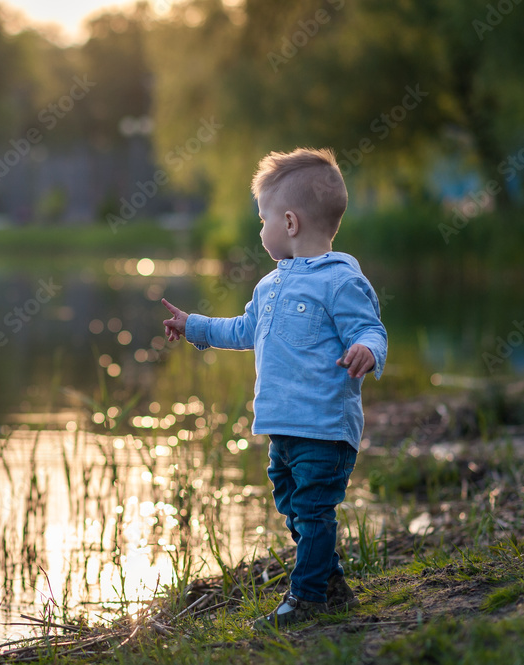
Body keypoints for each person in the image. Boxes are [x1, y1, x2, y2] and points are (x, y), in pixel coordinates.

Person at [161, 148, 387, 629]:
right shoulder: (269, 287)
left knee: (313, 508)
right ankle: (329, 584)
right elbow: (242, 331)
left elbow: (370, 329)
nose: (258, 230)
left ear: (288, 222)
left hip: (325, 427)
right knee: (293, 505)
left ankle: (306, 599)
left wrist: (368, 351)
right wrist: (194, 325)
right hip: (282, 426)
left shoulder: (341, 281)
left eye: (261, 220)